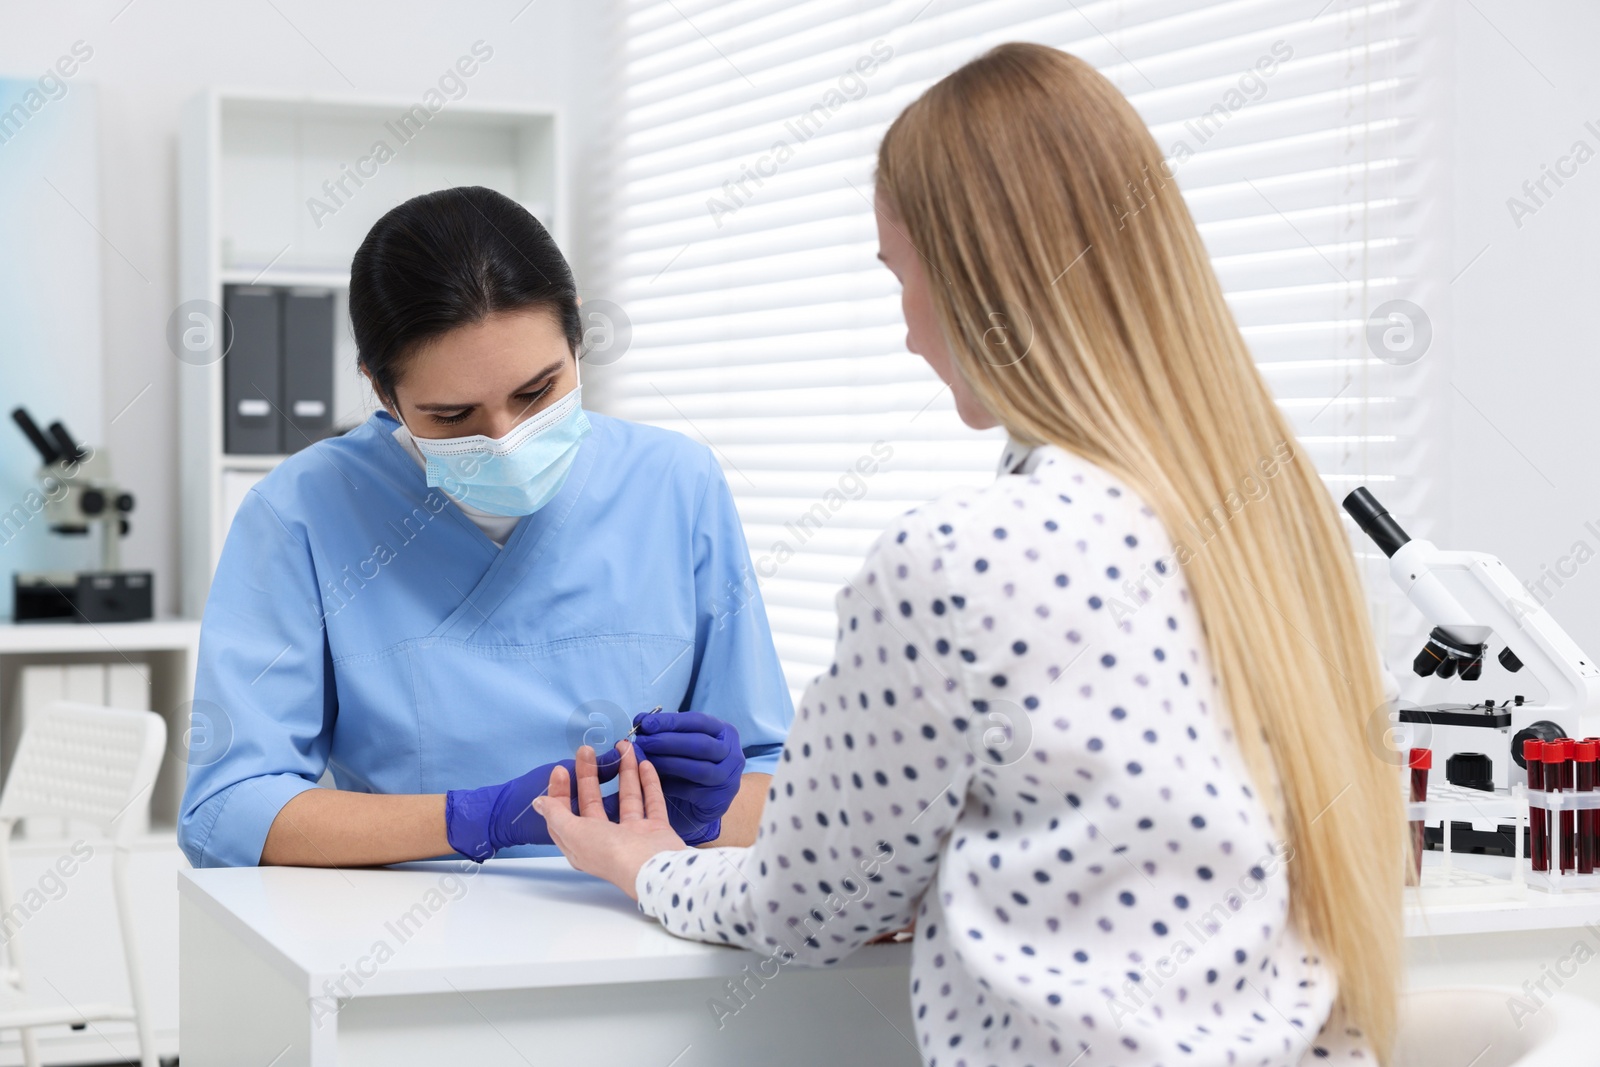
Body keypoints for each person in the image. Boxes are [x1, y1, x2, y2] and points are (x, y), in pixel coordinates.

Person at [533, 43, 1403, 1067]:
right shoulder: (1274, 529)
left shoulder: (960, 561)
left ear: (975, 282)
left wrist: (645, 863)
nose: (905, 331)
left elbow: (804, 908)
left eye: (900, 277)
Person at [178, 187, 793, 869]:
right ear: (382, 392)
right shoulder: (302, 512)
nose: (504, 439)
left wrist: (697, 814)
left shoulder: (678, 484)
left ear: (578, 337)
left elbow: (779, 785)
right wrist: (477, 817)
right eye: (452, 416)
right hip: (403, 941)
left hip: (644, 926)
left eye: (537, 392)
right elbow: (224, 812)